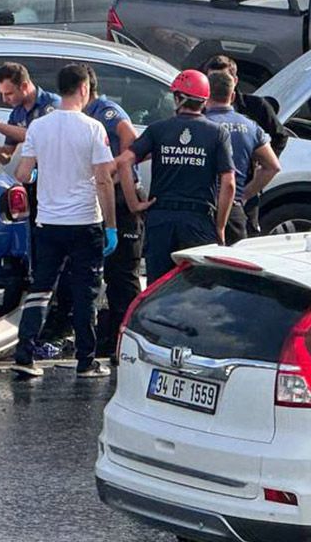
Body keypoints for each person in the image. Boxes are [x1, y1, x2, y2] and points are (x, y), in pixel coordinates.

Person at [11, 63, 118, 379]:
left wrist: (41, 173)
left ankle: (25, 354)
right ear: (84, 89)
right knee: (86, 292)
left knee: (41, 288)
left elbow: (22, 173)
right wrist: (110, 225)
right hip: (85, 221)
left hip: (48, 222)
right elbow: (102, 180)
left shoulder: (39, 127)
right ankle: (86, 361)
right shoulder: (93, 128)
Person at [116, 70, 236, 284]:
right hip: (198, 220)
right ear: (204, 101)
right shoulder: (217, 133)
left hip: (161, 218)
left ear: (179, 98)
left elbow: (124, 161)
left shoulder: (158, 130)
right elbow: (229, 184)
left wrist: (134, 204)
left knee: (158, 288)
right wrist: (220, 226)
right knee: (197, 289)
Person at [83, 66, 144, 360]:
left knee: (122, 274)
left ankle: (125, 335)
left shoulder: (105, 111)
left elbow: (129, 136)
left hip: (119, 197)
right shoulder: (83, 114)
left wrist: (117, 169)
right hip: (100, 196)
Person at [203, 54, 288, 235]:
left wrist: (261, 161)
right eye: (211, 79)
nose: (216, 83)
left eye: (221, 77)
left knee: (243, 238)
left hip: (244, 188)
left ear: (235, 80)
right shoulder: (201, 109)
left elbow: (280, 137)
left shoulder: (256, 106)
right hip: (207, 195)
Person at [0, 62, 60, 165]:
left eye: (9, 94)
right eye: (1, 94)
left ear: (24, 86)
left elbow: (37, 136)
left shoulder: (51, 103)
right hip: (34, 176)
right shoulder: (17, 114)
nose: (4, 100)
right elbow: (5, 157)